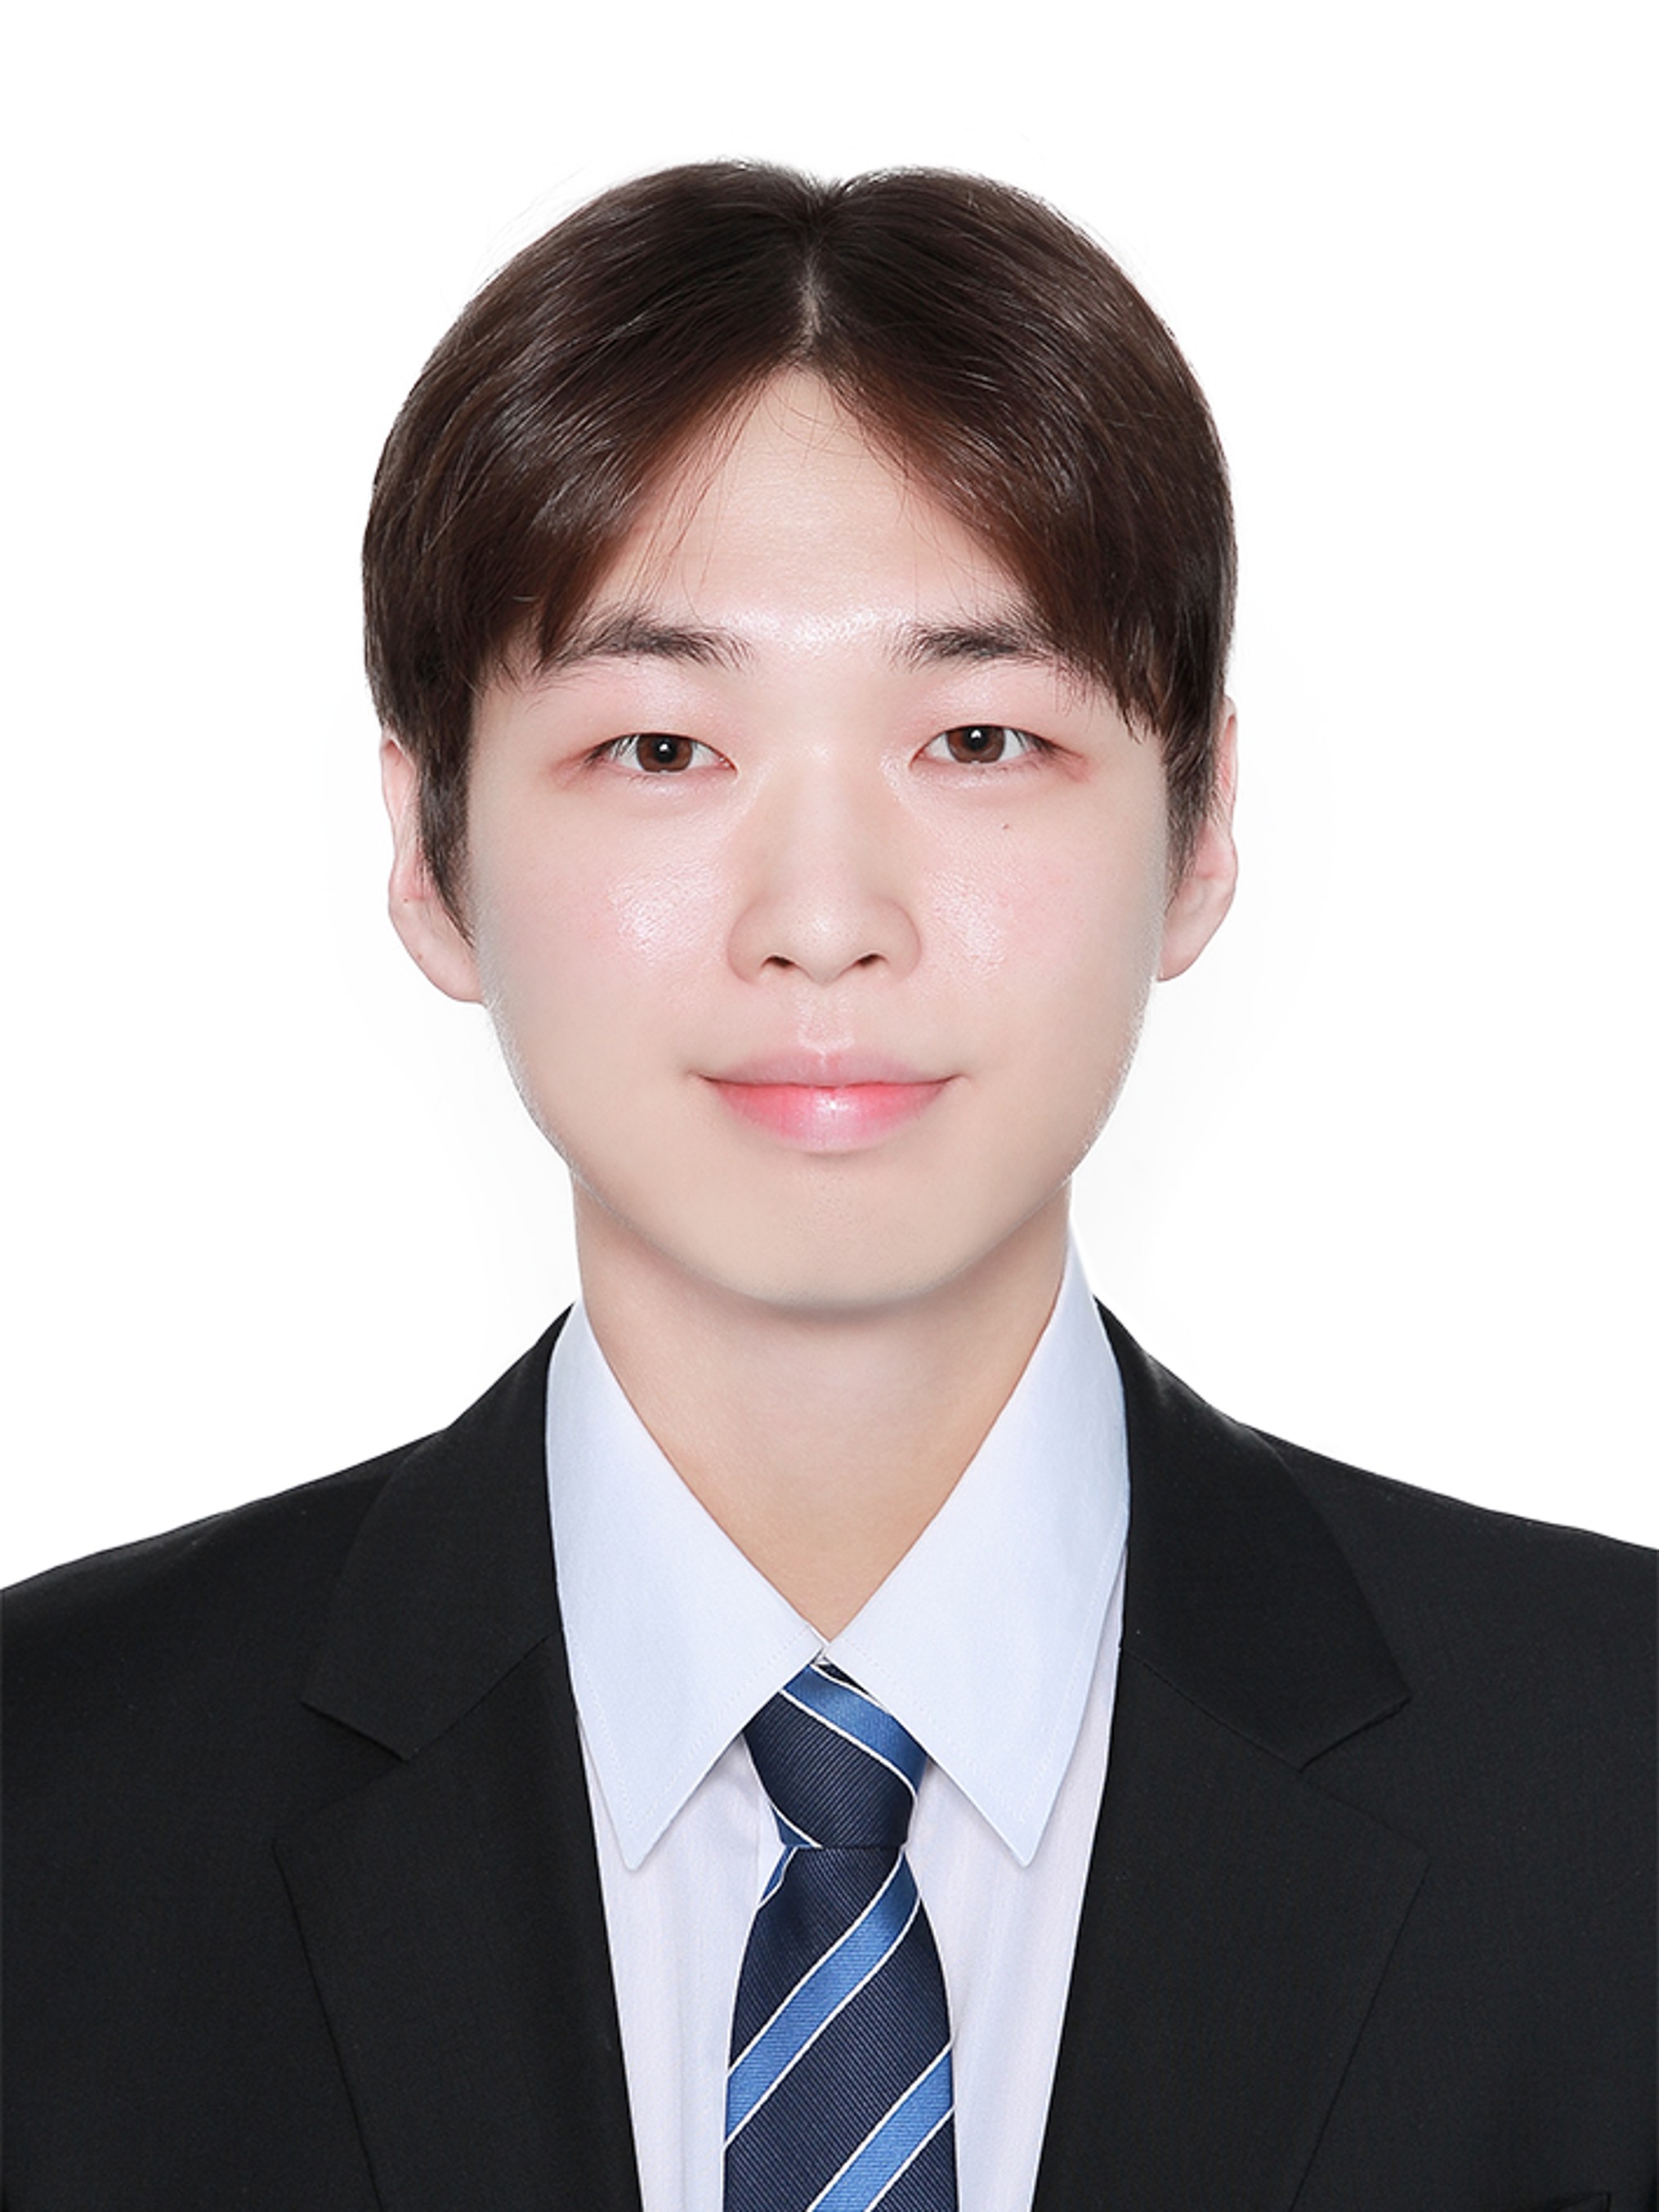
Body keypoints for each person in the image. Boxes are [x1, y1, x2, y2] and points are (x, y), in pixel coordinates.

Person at [4, 161, 1651, 2211]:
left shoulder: (1614, 1783)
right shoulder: (49, 1800)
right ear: (429, 857)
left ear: (1202, 827)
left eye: (977, 739)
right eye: (658, 749)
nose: (821, 917)